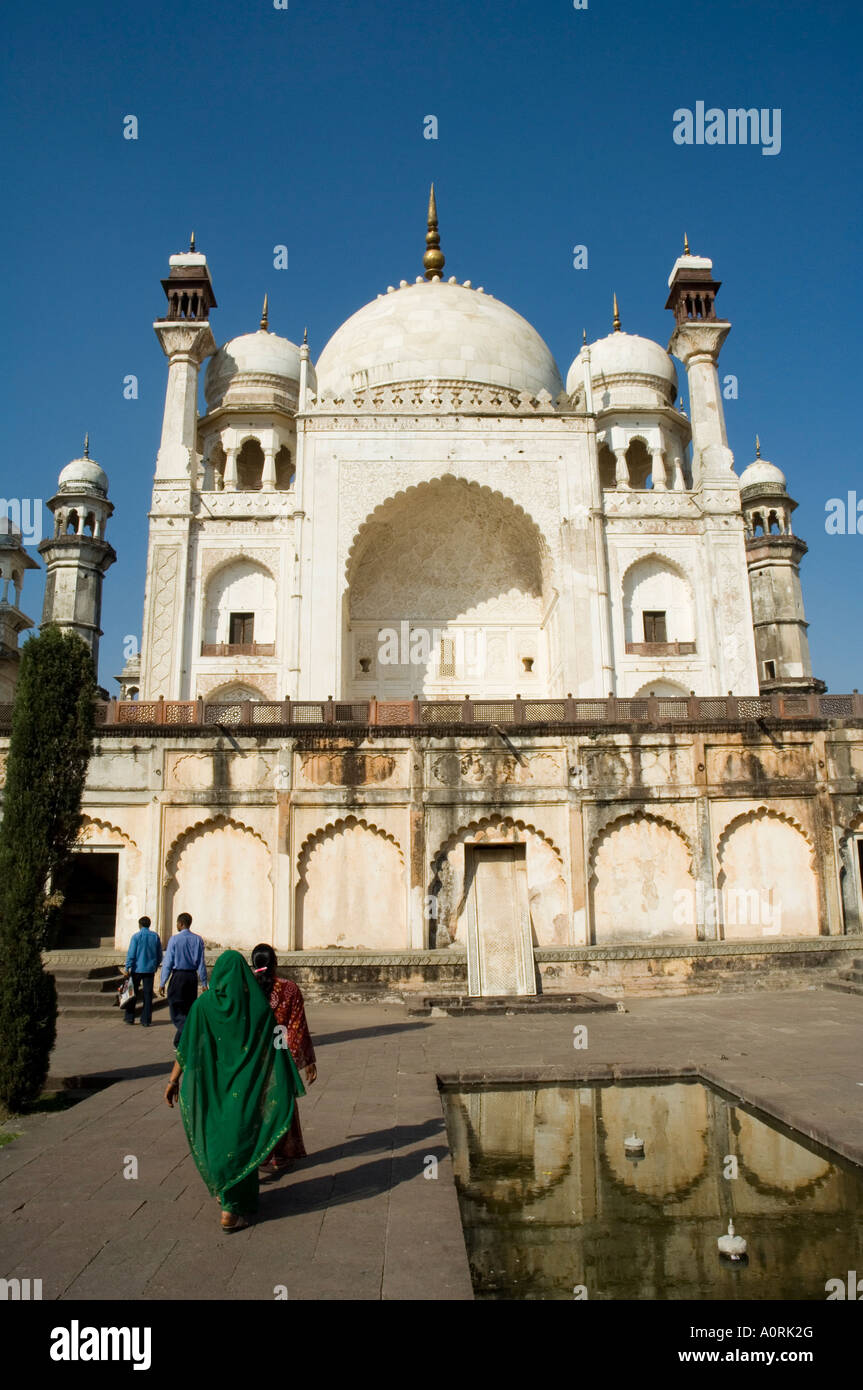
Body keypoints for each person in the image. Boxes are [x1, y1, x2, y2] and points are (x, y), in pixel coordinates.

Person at [164, 950, 304, 1231]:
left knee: (218, 1140)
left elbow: (186, 1050)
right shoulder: (257, 1009)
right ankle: (232, 1208)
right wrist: (288, 1076)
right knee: (242, 1140)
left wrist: (172, 1081)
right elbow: (276, 1048)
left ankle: (226, 1195)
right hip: (246, 1090)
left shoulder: (203, 1006)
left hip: (213, 1090)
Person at [250, 943, 317, 1176]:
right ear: (275, 963)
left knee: (257, 1105)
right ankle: (279, 1155)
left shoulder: (246, 991)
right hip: (280, 1057)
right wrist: (307, 1060)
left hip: (253, 1060)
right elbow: (297, 1028)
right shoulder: (289, 989)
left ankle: (260, 1153)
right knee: (281, 1104)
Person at [159, 912, 208, 1047]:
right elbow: (201, 963)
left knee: (176, 1008)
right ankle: (180, 1040)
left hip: (178, 976)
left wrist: (163, 982)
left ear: (180, 924)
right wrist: (204, 982)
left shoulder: (174, 940)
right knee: (188, 1008)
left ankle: (188, 1033)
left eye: (177, 923)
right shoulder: (197, 939)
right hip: (191, 977)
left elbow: (168, 962)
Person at [122, 915, 163, 1027]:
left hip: (137, 969)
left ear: (139, 925)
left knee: (132, 993)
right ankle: (146, 1019)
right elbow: (159, 954)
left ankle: (130, 1017)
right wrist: (155, 964)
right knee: (148, 994)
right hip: (149, 969)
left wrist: (127, 968)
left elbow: (131, 954)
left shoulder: (136, 936)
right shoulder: (155, 936)